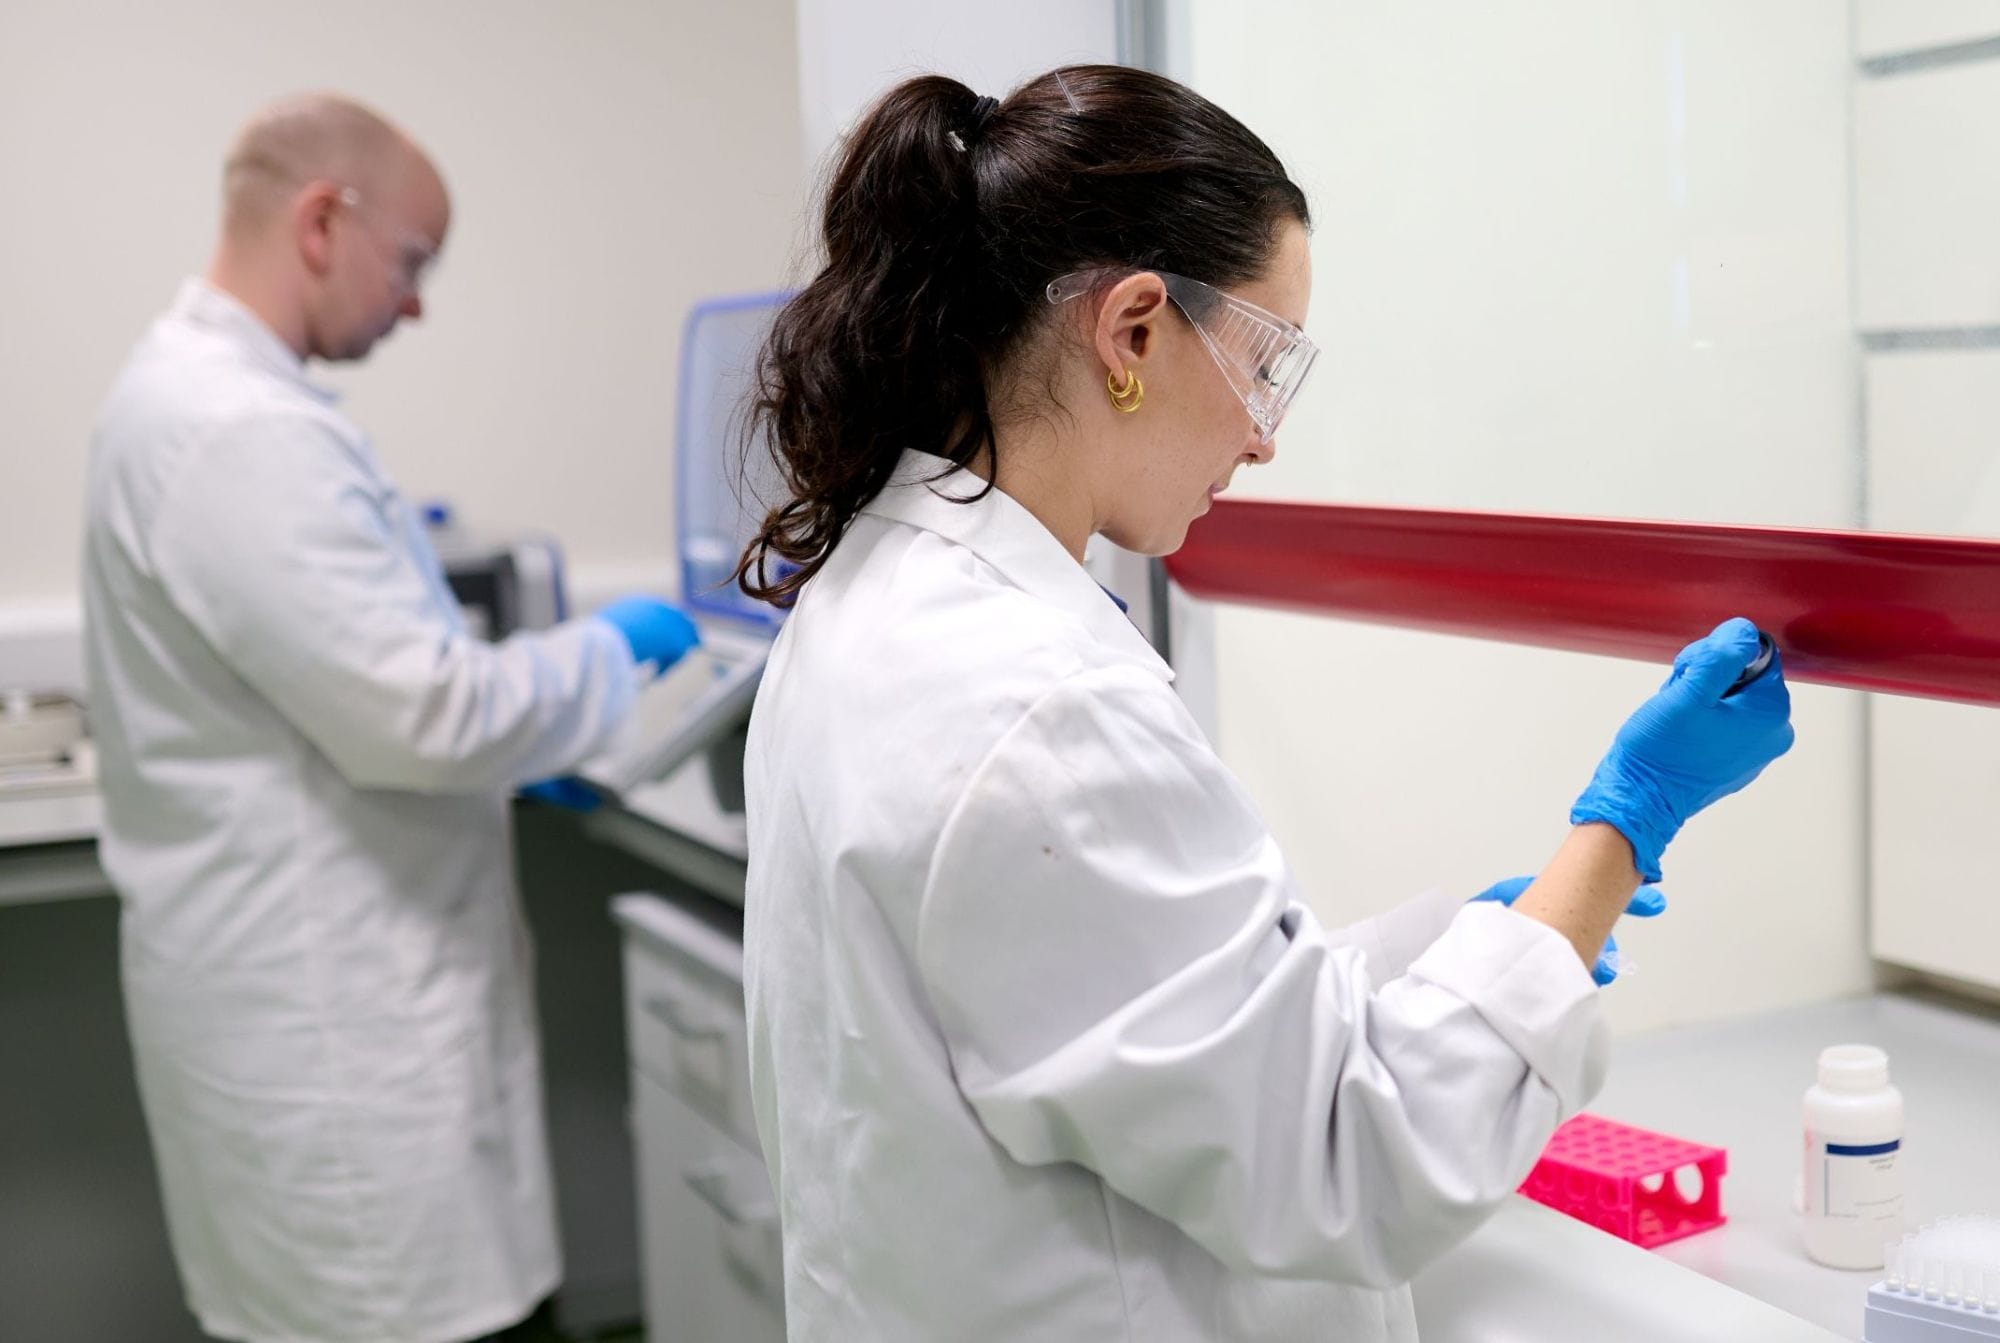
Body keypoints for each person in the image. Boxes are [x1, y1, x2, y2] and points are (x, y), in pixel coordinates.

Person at [733, 65, 1795, 1341]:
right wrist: (1623, 827)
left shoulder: (885, 598)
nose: (1262, 438)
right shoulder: (1034, 702)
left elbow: (1108, 1010)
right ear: (1131, 332)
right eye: (1264, 362)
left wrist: (1448, 954)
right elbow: (1354, 1162)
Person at [82, 93, 696, 1343]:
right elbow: (425, 714)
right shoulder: (235, 428)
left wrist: (519, 749)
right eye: (410, 261)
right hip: (339, 1049)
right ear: (322, 219)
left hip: (312, 1007)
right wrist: (606, 653)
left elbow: (361, 697)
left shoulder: (204, 399)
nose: (415, 302)